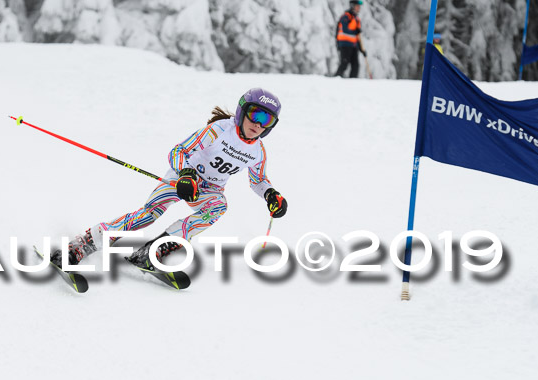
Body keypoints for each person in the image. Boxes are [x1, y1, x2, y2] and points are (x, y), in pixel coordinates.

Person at [51, 88, 288, 271]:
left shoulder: (258, 151)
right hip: (183, 177)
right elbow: (178, 152)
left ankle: (155, 250)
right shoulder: (218, 131)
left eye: (266, 121)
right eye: (255, 114)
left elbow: (258, 180)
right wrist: (186, 175)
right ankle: (82, 245)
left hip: (210, 189)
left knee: (218, 206)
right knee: (148, 215)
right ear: (242, 111)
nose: (258, 124)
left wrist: (270, 194)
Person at [335, 0, 367, 78]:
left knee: (355, 65)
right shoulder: (346, 16)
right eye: (357, 6)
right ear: (352, 6)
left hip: (353, 46)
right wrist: (355, 30)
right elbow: (345, 29)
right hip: (344, 44)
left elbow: (357, 36)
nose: (359, 8)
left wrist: (361, 49)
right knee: (344, 63)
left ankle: (352, 82)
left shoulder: (357, 19)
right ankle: (335, 79)